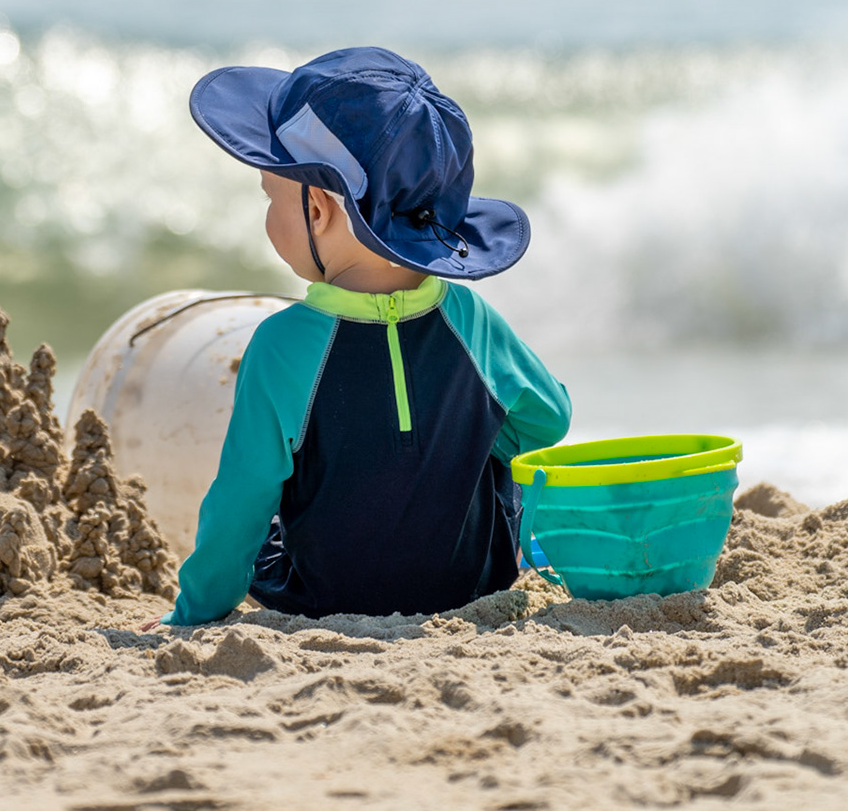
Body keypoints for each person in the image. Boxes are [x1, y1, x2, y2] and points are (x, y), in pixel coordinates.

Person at [144, 47, 571, 629]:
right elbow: (548, 419)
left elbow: (239, 508)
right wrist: (462, 443)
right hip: (472, 587)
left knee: (269, 512)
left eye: (269, 195)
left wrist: (194, 613)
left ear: (317, 209)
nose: (268, 212)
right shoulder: (470, 319)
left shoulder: (282, 345)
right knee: (494, 448)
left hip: (325, 600)